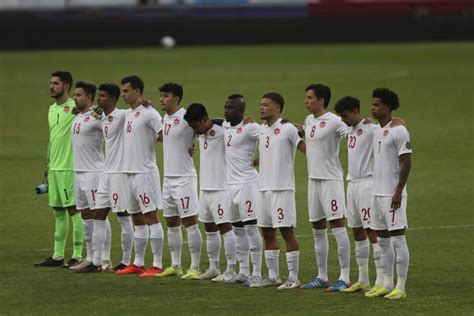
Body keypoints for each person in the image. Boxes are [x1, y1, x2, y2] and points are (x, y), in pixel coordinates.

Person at [250, 92, 306, 289]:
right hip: (263, 188)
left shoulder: (288, 129)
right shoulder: (263, 130)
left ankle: (293, 278)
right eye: (260, 104)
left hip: (282, 189)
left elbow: (305, 148)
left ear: (277, 108)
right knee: (266, 232)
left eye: (266, 104)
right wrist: (257, 161)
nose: (261, 107)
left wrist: (305, 129)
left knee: (287, 231)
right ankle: (273, 276)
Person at [300, 83, 352, 292]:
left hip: (331, 181)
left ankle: (345, 277)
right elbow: (311, 147)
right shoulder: (308, 120)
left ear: (322, 100)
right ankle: (322, 276)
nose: (306, 101)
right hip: (314, 181)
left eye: (310, 98)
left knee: (338, 227)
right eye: (306, 97)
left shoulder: (335, 121)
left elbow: (353, 132)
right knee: (317, 229)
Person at [80, 83, 134, 273]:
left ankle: (127, 261)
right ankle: (98, 261)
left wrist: (145, 103)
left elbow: (138, 113)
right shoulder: (102, 115)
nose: (98, 99)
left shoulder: (122, 115)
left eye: (103, 96)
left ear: (112, 99)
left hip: (119, 173)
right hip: (105, 173)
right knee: (98, 215)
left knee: (123, 216)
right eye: (99, 96)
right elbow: (93, 113)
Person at [114, 75, 165, 277]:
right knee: (136, 217)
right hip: (129, 173)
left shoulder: (149, 113)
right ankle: (138, 262)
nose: (123, 94)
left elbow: (163, 133)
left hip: (145, 173)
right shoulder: (127, 113)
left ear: (137, 91)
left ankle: (158, 264)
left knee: (151, 216)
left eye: (126, 91)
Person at [334, 96, 385, 292]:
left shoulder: (372, 129)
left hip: (367, 184)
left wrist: (400, 120)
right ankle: (363, 279)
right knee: (356, 230)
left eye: (345, 116)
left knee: (372, 230)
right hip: (352, 184)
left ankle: (381, 280)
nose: (343, 120)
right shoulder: (350, 129)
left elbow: (392, 128)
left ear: (356, 112)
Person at [364, 88, 411, 300]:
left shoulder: (399, 132)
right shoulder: (376, 130)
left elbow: (406, 162)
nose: (373, 108)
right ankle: (386, 283)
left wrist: (399, 190)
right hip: (376, 193)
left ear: (388, 106)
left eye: (377, 105)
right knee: (382, 240)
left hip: (392, 194)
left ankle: (400, 287)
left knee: (398, 239)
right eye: (372, 104)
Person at [34, 71, 84, 268]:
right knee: (58, 211)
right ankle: (57, 256)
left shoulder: (75, 107)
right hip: (54, 167)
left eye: (56, 83)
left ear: (67, 86)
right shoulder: (51, 109)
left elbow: (94, 110)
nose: (51, 86)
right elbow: (53, 137)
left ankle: (78, 255)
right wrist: (48, 164)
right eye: (50, 83)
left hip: (69, 168)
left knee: (74, 210)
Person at [183, 103, 237, 280]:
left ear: (205, 120)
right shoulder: (201, 134)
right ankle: (214, 268)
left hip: (221, 188)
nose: (194, 131)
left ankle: (230, 269)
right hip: (204, 188)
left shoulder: (223, 132)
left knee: (225, 228)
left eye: (195, 126)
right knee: (209, 228)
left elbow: (236, 128)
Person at [155, 82, 203, 280]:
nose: (162, 99)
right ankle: (176, 265)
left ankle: (195, 266)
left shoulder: (186, 117)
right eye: (161, 96)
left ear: (176, 99)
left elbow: (206, 128)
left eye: (166, 96)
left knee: (189, 223)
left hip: (184, 178)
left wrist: (195, 145)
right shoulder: (165, 118)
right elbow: (163, 137)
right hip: (168, 179)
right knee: (172, 223)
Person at [219, 94, 263, 286]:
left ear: (241, 110)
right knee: (238, 230)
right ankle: (243, 271)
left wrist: (261, 160)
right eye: (226, 107)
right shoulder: (225, 125)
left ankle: (257, 273)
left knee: (252, 230)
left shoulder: (250, 127)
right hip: (230, 186)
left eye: (231, 108)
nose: (226, 111)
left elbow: (271, 135)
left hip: (248, 185)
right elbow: (209, 121)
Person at [69, 81, 113, 272]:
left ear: (89, 97)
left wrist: (101, 112)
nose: (75, 98)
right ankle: (90, 257)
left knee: (99, 216)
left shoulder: (97, 116)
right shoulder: (78, 116)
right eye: (75, 95)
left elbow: (113, 119)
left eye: (79, 95)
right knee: (86, 215)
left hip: (94, 173)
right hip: (78, 173)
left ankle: (104, 260)